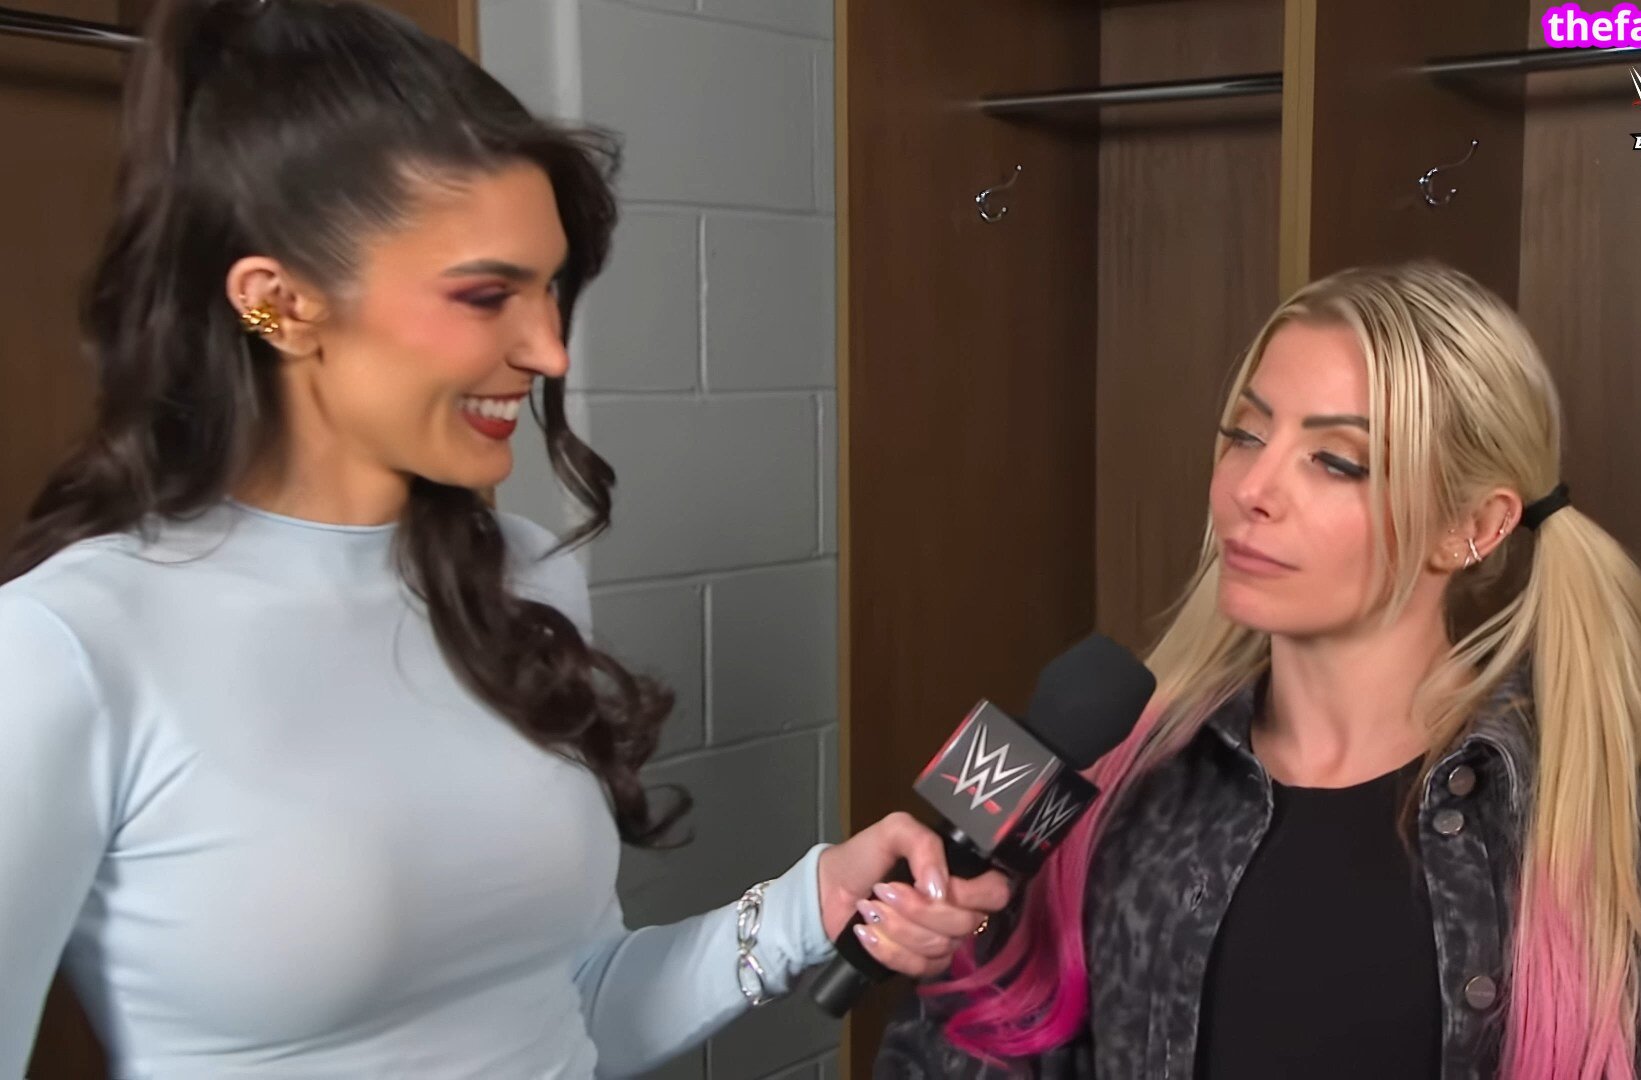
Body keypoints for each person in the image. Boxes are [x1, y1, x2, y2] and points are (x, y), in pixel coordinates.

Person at [0, 1, 1008, 1076]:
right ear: (278, 306)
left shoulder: (521, 579)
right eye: (487, 295)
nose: (549, 351)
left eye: (551, 289)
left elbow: (570, 1011)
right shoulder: (66, 650)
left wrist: (813, 904)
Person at [875, 261, 1641, 1079]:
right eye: (1246, 435)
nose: (1251, 491)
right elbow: (964, 1043)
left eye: (1335, 461)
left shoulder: (1582, 816)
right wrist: (957, 937)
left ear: (1473, 528)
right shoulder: (1111, 779)